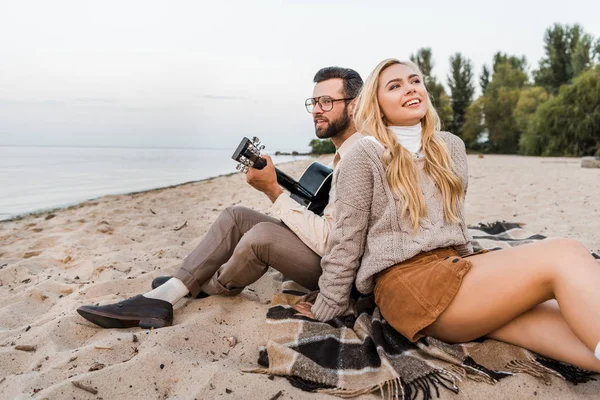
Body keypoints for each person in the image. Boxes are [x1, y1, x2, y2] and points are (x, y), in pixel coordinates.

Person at [294, 58, 600, 373]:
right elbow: (346, 237)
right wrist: (329, 303)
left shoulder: (450, 148)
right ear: (377, 103)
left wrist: (481, 263)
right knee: (566, 254)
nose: (410, 89)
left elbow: (455, 222)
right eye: (395, 86)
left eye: (415, 81)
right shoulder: (364, 155)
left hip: (453, 267)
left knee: (563, 316)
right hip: (409, 284)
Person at [76, 67, 364, 329]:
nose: (316, 110)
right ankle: (174, 289)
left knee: (262, 236)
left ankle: (197, 287)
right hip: (333, 253)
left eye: (326, 102)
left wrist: (273, 191)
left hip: (343, 274)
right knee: (236, 216)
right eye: (313, 102)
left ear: (354, 106)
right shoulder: (342, 156)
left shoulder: (359, 156)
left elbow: (331, 243)